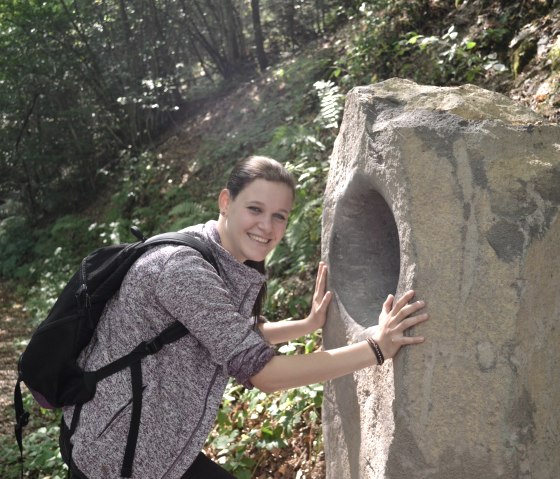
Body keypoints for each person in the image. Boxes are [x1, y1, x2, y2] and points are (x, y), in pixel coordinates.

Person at [61, 155, 428, 478]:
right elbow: (264, 374)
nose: (266, 227)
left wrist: (307, 325)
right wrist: (376, 349)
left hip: (155, 447)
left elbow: (221, 331)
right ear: (226, 201)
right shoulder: (184, 269)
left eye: (278, 216)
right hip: (115, 453)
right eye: (255, 209)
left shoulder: (216, 254)